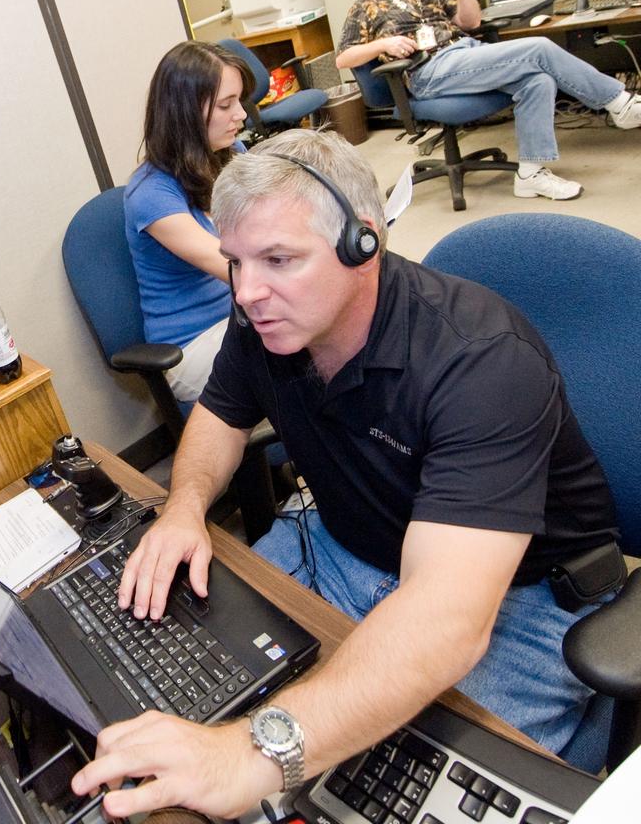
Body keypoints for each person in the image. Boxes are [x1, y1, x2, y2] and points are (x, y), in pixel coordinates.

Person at [71, 129, 620, 821]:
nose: (247, 291)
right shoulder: (268, 319)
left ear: (364, 243)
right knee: (173, 672)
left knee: (361, 791)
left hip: (521, 599)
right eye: (236, 261)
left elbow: (446, 620)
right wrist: (185, 508)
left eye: (278, 259)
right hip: (347, 544)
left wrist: (250, 754)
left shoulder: (482, 361)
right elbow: (218, 416)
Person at [334, 0, 641, 201]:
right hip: (427, 71)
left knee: (537, 81)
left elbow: (472, 22)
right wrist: (383, 44)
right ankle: (619, 102)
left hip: (466, 53)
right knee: (539, 48)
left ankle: (530, 176)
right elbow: (343, 57)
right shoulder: (365, 7)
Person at [124, 41, 253, 401]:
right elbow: (234, 269)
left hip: (241, 317)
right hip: (192, 348)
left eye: (239, 101)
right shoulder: (150, 193)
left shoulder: (232, 157)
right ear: (186, 112)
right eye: (226, 105)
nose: (241, 115)